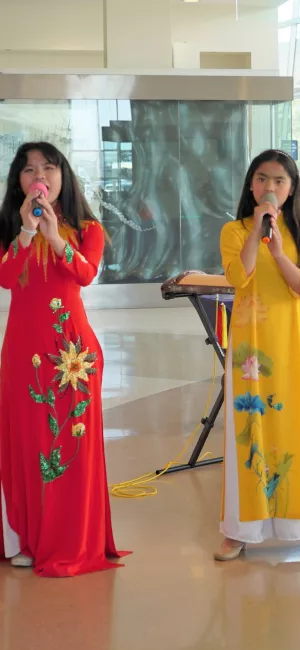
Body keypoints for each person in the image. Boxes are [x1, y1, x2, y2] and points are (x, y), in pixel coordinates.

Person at [0, 142, 126, 576]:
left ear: (62, 176)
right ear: (19, 181)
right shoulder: (10, 228)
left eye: (48, 167)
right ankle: (30, 536)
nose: (39, 176)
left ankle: (69, 538)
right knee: (28, 443)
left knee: (68, 446)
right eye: (29, 169)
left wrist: (54, 237)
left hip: (72, 355)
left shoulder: (87, 228)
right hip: (22, 354)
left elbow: (85, 274)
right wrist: (28, 233)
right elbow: (5, 278)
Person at [215, 149, 300, 561]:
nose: (270, 187)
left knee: (295, 429)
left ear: (292, 188)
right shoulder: (234, 230)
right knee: (248, 428)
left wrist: (279, 252)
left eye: (280, 180)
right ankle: (240, 529)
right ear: (251, 185)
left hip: (291, 340)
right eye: (262, 179)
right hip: (249, 343)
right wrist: (256, 235)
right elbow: (237, 277)